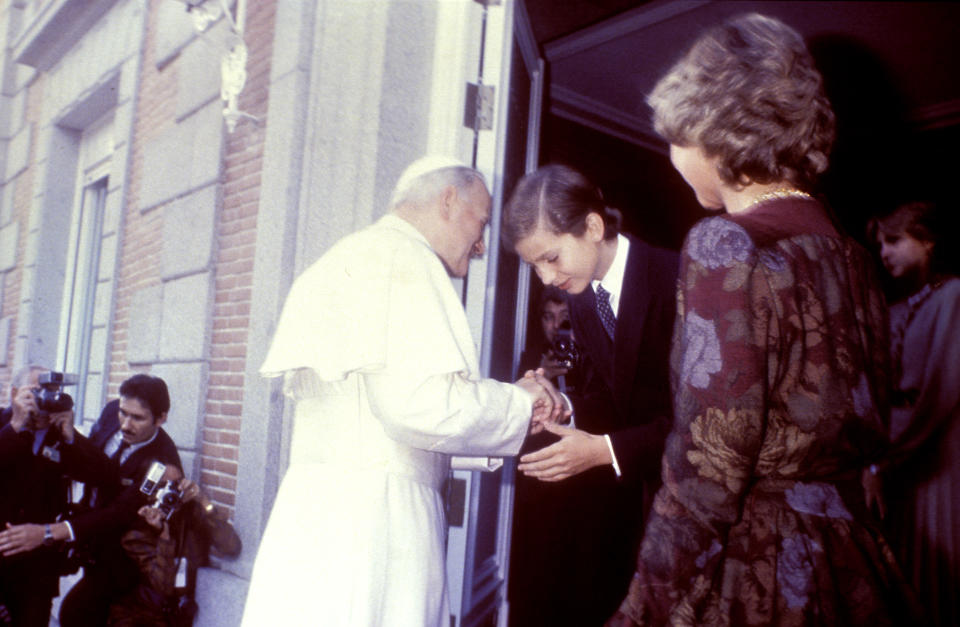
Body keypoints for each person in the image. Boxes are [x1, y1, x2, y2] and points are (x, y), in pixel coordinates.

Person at [604, 13, 918, 625]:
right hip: (850, 562)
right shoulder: (853, 256)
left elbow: (707, 474)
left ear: (717, 132)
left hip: (759, 568)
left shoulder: (724, 245)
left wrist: (639, 612)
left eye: (677, 134)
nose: (671, 153)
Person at [240, 155, 566, 627]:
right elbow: (418, 407)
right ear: (448, 201)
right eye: (482, 223)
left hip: (320, 514)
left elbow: (392, 428)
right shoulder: (405, 258)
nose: (480, 246)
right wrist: (519, 403)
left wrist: (512, 406)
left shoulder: (350, 253)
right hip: (378, 526)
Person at [502, 163, 679, 625]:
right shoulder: (582, 302)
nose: (544, 278)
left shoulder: (679, 278)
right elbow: (616, 399)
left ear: (593, 227)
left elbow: (706, 419)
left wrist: (606, 451)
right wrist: (563, 405)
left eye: (551, 258)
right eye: (533, 265)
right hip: (648, 502)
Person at [0, 373, 183, 627]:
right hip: (83, 547)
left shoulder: (163, 464)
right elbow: (93, 469)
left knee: (75, 614)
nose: (125, 424)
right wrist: (72, 439)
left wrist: (48, 533)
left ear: (161, 418)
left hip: (117, 560)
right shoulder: (112, 413)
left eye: (138, 418)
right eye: (123, 413)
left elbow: (120, 513)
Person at [867, 201, 960, 627]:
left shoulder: (954, 296)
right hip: (898, 454)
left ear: (927, 241)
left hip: (938, 455)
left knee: (937, 568)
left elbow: (939, 392)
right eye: (880, 244)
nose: (884, 253)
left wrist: (884, 459)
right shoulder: (893, 310)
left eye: (894, 241)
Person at [107, 464, 241, 626]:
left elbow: (231, 547)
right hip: (142, 616)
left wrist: (205, 503)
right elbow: (162, 586)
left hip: (180, 615)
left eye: (176, 485)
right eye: (163, 486)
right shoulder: (137, 532)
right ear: (150, 493)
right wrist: (164, 535)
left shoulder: (191, 516)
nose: (171, 493)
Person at [0, 365, 74, 626]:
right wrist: (15, 426)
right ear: (14, 394)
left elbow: (106, 476)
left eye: (51, 393)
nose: (44, 400)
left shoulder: (62, 436)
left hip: (36, 573)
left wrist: (72, 438)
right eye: (36, 391)